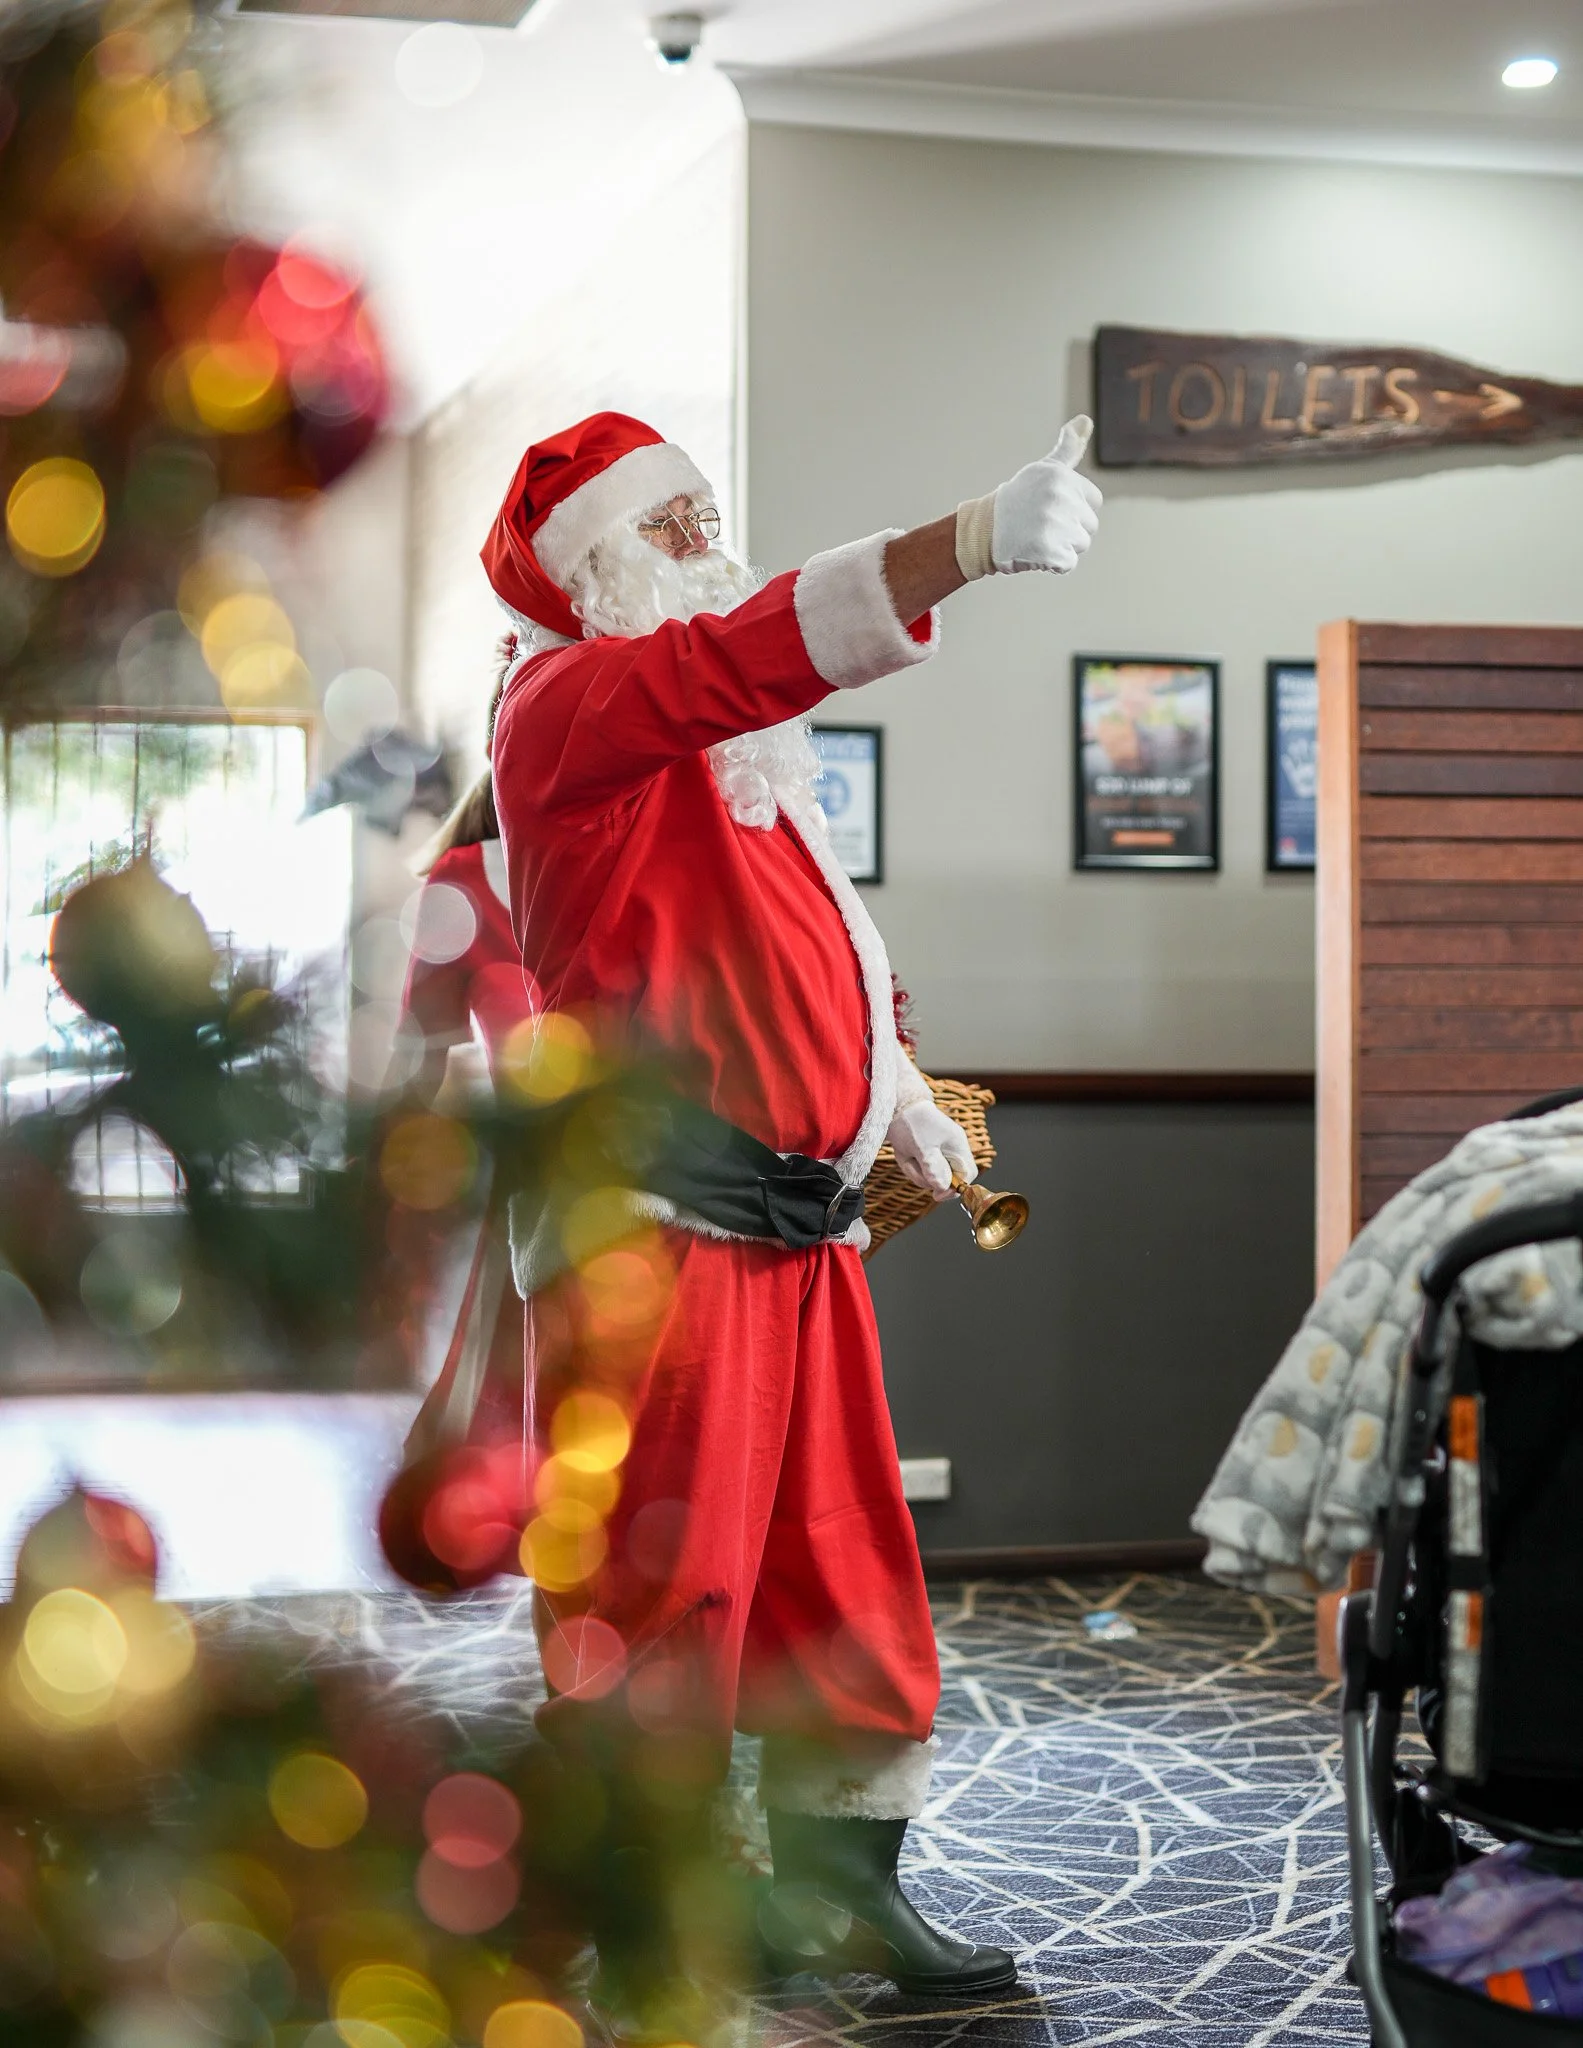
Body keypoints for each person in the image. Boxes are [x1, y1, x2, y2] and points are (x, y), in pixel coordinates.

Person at [483, 410, 1101, 2004]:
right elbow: (737, 654)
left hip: (800, 1233)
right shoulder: (565, 709)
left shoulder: (732, 774)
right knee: (658, 1584)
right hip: (654, 1238)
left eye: (707, 515)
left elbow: (821, 941)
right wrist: (963, 541)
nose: (706, 546)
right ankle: (653, 1909)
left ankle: (840, 1898)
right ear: (586, 570)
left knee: (844, 1568)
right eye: (669, 526)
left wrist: (893, 1091)